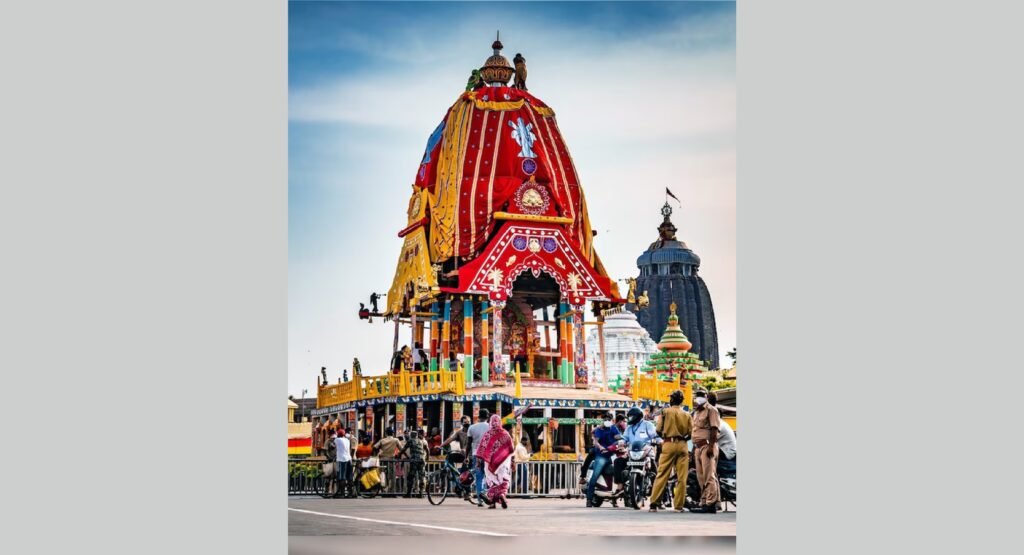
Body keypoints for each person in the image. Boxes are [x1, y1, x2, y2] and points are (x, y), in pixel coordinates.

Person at [649, 390, 692, 512]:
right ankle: (678, 506)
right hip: (683, 445)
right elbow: (690, 433)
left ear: (671, 400)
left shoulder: (665, 412)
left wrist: (666, 436)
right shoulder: (687, 415)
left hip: (668, 443)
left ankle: (654, 504)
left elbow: (658, 430)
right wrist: (682, 438)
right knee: (682, 477)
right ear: (682, 401)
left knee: (662, 474)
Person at [688, 390, 722, 513]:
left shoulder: (712, 410)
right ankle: (705, 501)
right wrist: (692, 451)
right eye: (697, 396)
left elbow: (714, 429)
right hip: (698, 447)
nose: (698, 398)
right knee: (701, 477)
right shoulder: (696, 412)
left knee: (709, 476)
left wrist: (711, 446)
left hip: (707, 446)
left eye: (701, 396)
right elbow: (695, 431)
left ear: (706, 397)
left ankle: (710, 503)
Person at [476, 414, 515, 509]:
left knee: (492, 481)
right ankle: (502, 495)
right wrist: (513, 462)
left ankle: (492, 502)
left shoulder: (487, 435)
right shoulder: (505, 434)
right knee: (503, 480)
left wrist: (478, 461)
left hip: (489, 463)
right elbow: (511, 449)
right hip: (503, 463)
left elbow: (481, 449)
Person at [585, 411, 622, 508]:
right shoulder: (599, 429)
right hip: (602, 456)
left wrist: (620, 440)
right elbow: (596, 442)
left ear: (612, 420)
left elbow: (618, 438)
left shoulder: (613, 428)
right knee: (595, 476)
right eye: (605, 419)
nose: (607, 421)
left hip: (613, 455)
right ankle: (589, 499)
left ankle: (616, 499)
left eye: (609, 419)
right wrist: (601, 448)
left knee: (619, 475)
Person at [466, 409, 491, 506]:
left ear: (478, 416)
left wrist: (466, 457)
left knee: (479, 477)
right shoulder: (490, 427)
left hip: (476, 455)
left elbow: (468, 444)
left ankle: (480, 500)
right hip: (488, 455)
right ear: (487, 417)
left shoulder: (472, 427)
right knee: (488, 476)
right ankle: (486, 494)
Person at [708, 392, 737, 475]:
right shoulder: (721, 422)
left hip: (727, 452)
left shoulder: (718, 423)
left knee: (704, 451)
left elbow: (712, 437)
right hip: (726, 450)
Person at [397, 429, 427, 498]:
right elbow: (427, 449)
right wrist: (427, 458)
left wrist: (399, 455)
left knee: (411, 477)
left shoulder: (411, 440)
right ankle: (421, 493)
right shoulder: (421, 441)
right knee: (421, 476)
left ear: (411, 435)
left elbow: (403, 449)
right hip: (421, 460)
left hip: (414, 461)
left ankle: (409, 493)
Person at [334, 428, 353, 498]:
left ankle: (342, 494)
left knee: (342, 477)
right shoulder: (347, 440)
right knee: (350, 477)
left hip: (342, 460)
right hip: (349, 459)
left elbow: (333, 444)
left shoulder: (337, 440)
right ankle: (350, 493)